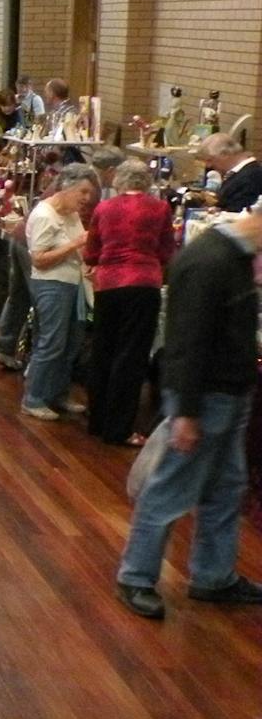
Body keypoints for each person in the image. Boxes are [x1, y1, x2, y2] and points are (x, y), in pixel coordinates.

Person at [114, 202, 262, 618]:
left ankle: (213, 576)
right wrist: (186, 412)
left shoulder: (232, 257)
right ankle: (136, 576)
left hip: (229, 395)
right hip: (207, 398)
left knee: (226, 489)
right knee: (170, 490)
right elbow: (186, 343)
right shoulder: (208, 262)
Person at [83, 159, 175, 447]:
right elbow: (166, 250)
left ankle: (97, 420)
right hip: (143, 284)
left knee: (103, 350)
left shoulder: (104, 208)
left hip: (108, 284)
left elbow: (91, 252)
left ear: (118, 181)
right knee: (131, 356)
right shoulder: (160, 208)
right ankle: (119, 428)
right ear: (146, 182)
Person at [20, 162, 98, 422]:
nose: (87, 198)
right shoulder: (45, 215)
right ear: (66, 187)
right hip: (51, 285)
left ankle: (58, 393)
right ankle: (33, 398)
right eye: (83, 192)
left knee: (72, 342)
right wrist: (74, 245)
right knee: (51, 343)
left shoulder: (71, 214)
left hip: (73, 284)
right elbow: (39, 259)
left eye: (89, 193)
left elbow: (80, 248)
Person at [197, 132, 262, 215]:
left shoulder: (251, 176)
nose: (208, 165)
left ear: (225, 154)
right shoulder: (237, 174)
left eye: (210, 160)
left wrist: (218, 211)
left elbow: (241, 212)